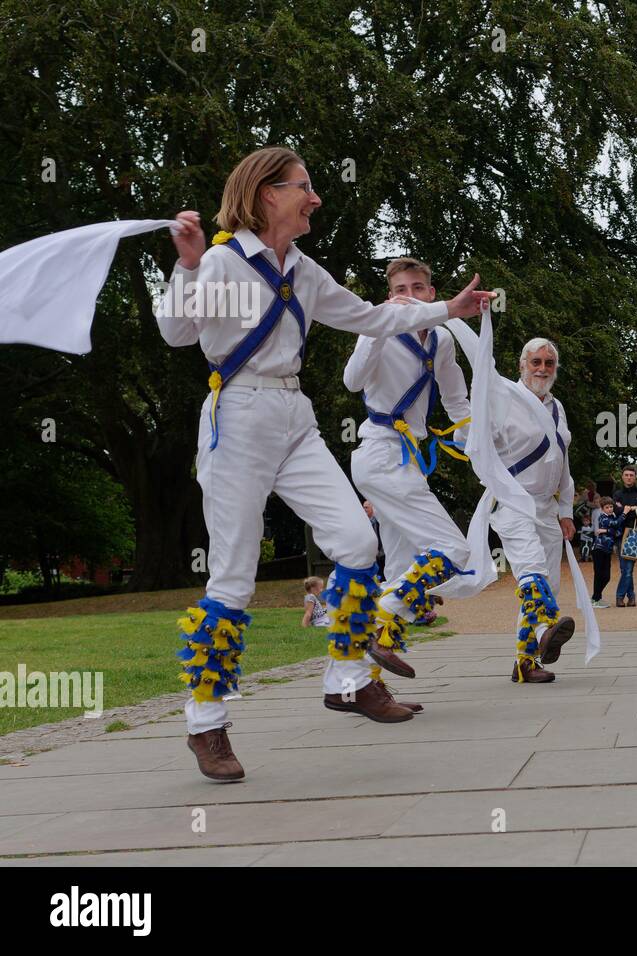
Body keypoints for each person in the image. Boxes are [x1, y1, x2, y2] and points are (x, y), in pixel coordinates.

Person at [157, 146, 494, 780]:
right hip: (237, 417)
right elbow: (178, 332)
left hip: (293, 416)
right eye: (303, 187)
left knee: (357, 542)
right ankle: (206, 723)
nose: (315, 198)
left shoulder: (304, 270)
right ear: (266, 195)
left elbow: (369, 316)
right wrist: (189, 265)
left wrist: (447, 310)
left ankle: (346, 679)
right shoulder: (225, 263)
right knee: (232, 575)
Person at [343, 256, 482, 714]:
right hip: (380, 453)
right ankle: (375, 619)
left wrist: (477, 441)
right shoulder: (379, 327)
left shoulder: (440, 339)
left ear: (431, 293)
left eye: (418, 287)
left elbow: (456, 396)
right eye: (399, 288)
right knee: (454, 551)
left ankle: (364, 685)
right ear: (389, 295)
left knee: (403, 567)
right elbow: (352, 381)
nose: (409, 294)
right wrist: (377, 329)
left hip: (409, 461)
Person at [485, 338, 579, 683]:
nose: (542, 369)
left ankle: (526, 663)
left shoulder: (557, 408)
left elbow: (562, 462)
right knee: (530, 567)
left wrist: (566, 508)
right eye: (535, 362)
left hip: (546, 506)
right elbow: (477, 446)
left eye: (549, 363)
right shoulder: (501, 401)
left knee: (549, 582)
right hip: (512, 501)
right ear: (522, 365)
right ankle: (544, 630)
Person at [612, 465, 637, 606]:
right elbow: (614, 511)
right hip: (620, 534)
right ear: (622, 477)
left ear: (635, 477)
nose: (629, 477)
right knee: (625, 569)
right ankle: (631, 596)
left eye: (631, 475)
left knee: (628, 569)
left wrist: (624, 509)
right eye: (626, 475)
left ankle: (620, 596)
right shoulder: (617, 493)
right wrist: (628, 509)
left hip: (634, 535)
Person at [590, 496, 622, 608]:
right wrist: (624, 514)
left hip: (607, 550)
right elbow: (615, 525)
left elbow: (618, 532)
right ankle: (595, 599)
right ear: (602, 509)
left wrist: (605, 530)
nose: (609, 509)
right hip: (598, 549)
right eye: (607, 507)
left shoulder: (613, 517)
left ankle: (596, 597)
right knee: (599, 575)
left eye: (611, 507)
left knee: (606, 577)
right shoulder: (602, 517)